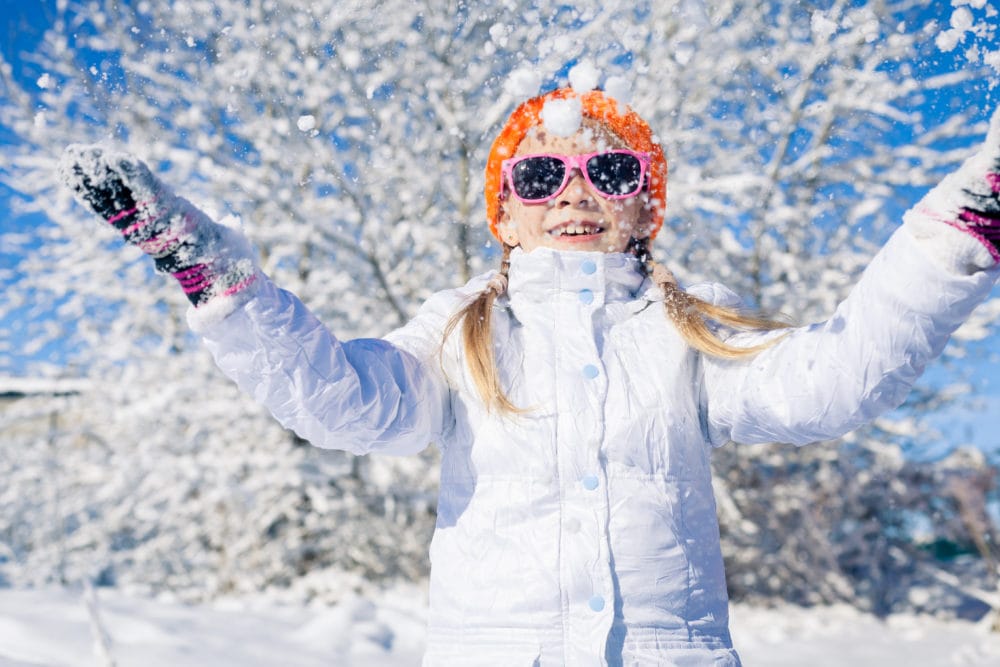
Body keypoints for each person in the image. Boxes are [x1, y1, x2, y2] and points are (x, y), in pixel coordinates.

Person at [60, 85, 1000, 666]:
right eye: (542, 172)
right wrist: (207, 269)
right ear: (505, 216)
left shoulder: (684, 332)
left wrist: (962, 228)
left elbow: (831, 380)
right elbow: (343, 401)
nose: (576, 191)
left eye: (611, 169)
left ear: (647, 211)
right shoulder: (462, 333)